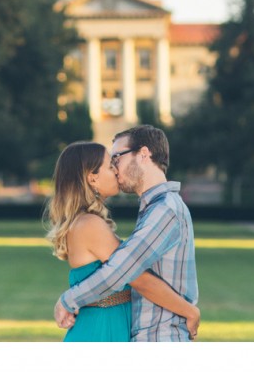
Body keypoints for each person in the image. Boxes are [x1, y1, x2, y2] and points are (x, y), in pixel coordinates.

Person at [53, 125, 199, 342]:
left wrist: (68, 300)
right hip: (111, 330)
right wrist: (190, 311)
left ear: (143, 154)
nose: (115, 168)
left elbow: (124, 270)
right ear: (91, 178)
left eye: (117, 158)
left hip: (157, 335)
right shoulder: (96, 222)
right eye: (110, 163)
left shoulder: (163, 209)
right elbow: (133, 275)